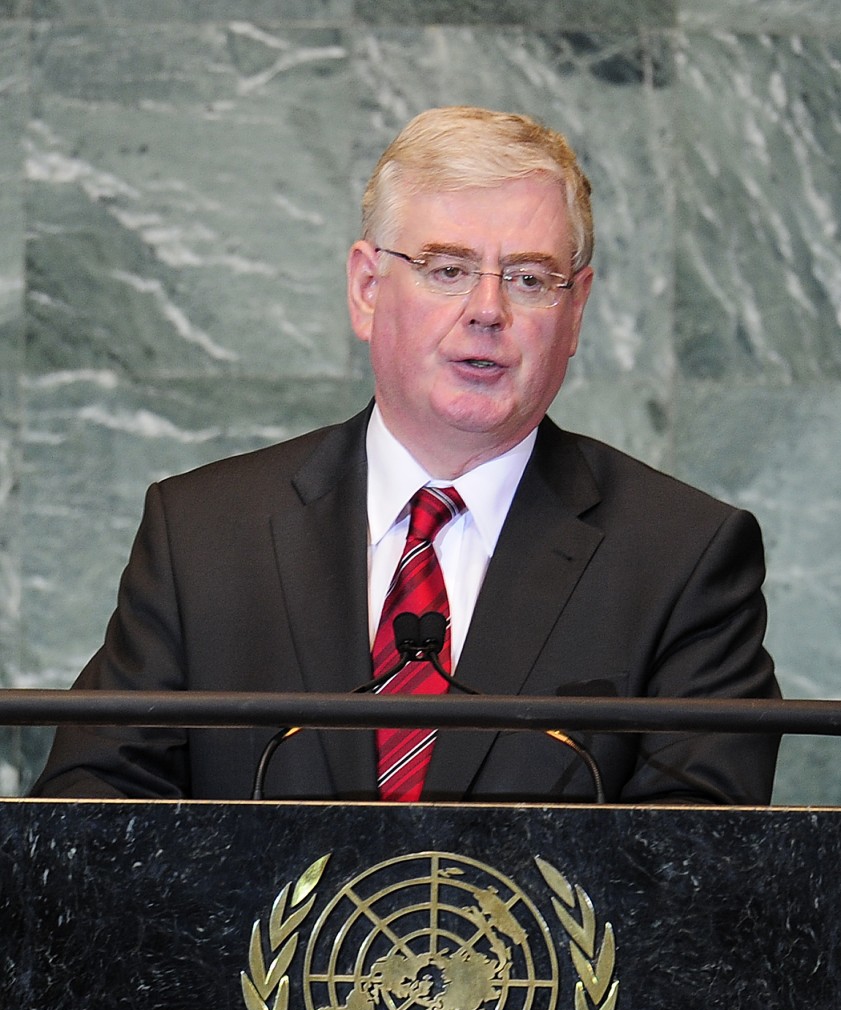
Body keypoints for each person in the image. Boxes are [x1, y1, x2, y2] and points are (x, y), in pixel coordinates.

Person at [31, 106, 780, 804]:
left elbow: (697, 885)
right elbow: (89, 835)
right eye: (447, 269)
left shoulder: (681, 558)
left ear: (575, 308)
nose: (488, 311)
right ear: (366, 287)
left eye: (528, 279)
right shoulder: (202, 536)